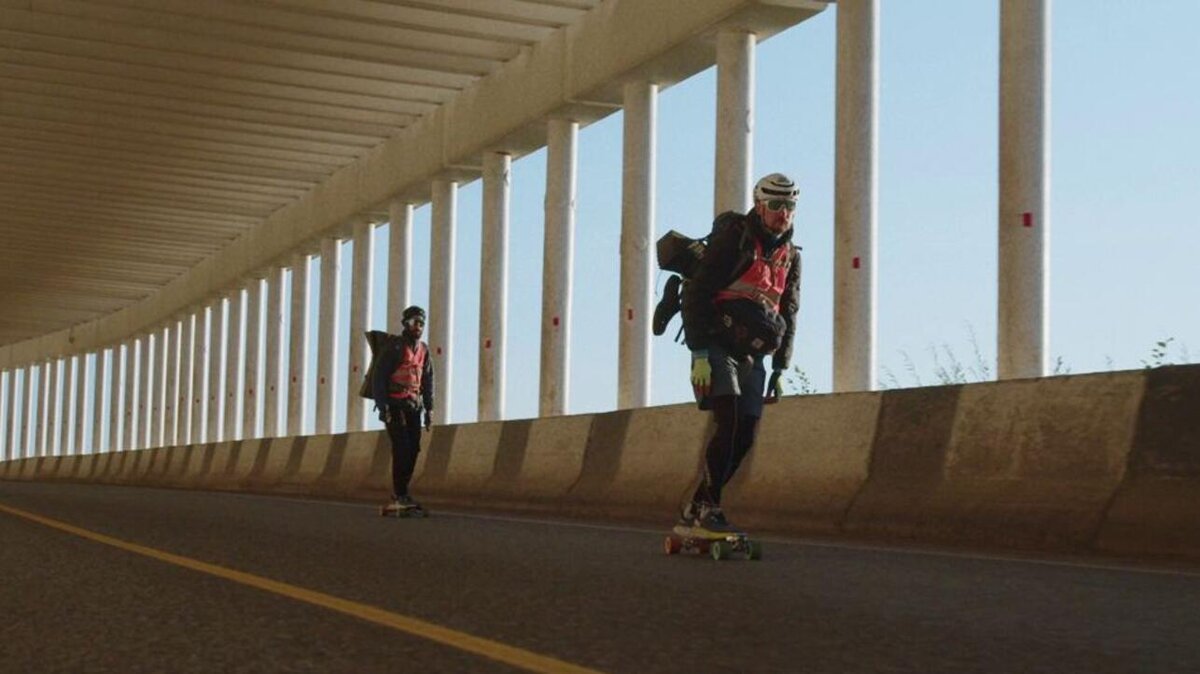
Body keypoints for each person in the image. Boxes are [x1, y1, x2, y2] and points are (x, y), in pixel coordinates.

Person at [677, 173, 802, 535]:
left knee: (745, 434)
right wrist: (699, 351)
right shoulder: (735, 239)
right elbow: (697, 293)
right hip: (716, 343)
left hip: (754, 354)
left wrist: (781, 367)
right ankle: (710, 509)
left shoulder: (791, 255)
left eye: (790, 206)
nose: (784, 213)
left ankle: (699, 503)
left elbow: (789, 311)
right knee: (727, 421)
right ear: (759, 205)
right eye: (776, 205)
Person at [371, 305, 435, 513]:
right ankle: (399, 493)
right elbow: (378, 377)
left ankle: (402, 491)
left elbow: (428, 380)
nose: (419, 326)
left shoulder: (424, 350)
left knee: (414, 448)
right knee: (401, 448)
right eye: (415, 322)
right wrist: (383, 405)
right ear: (406, 324)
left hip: (414, 406)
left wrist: (429, 409)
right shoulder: (394, 347)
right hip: (394, 404)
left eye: (422, 323)